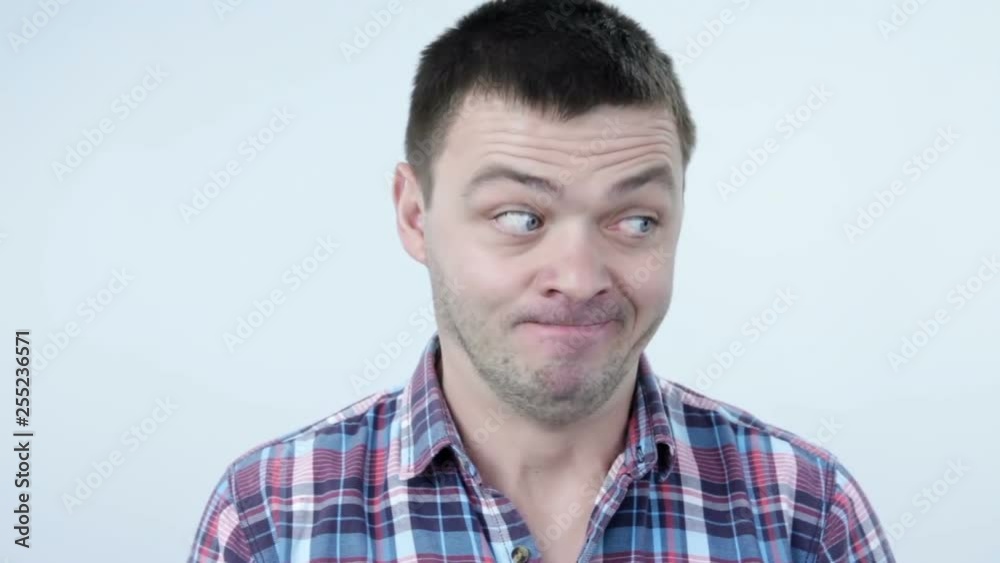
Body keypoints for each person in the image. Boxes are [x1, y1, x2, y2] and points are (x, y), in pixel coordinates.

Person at [188, 1, 894, 561]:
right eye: (520, 217)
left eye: (637, 221)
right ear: (415, 216)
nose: (579, 278)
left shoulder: (805, 512)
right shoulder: (271, 518)